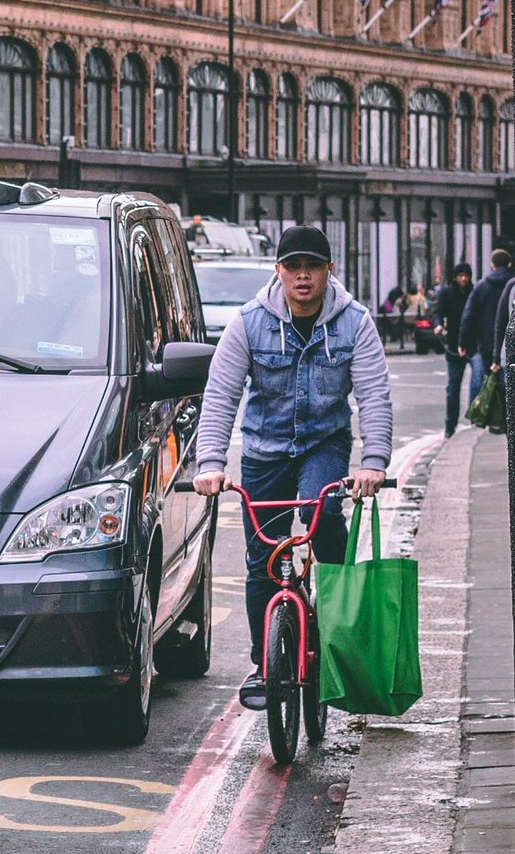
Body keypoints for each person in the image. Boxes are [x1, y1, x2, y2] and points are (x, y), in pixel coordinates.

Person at [192, 225, 393, 710]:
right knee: (263, 560)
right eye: (293, 267)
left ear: (329, 270)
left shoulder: (355, 322)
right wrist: (211, 462)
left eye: (313, 267)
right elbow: (220, 395)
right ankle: (266, 668)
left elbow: (373, 394)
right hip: (264, 450)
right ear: (278, 270)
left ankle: (336, 624)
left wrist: (374, 462)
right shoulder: (248, 322)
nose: (303, 276)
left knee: (322, 521)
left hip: (323, 445)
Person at [458, 247, 513, 404]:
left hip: (487, 343)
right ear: (509, 264)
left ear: (492, 265)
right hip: (510, 343)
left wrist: (463, 342)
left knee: (490, 382)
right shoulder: (512, 285)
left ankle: (494, 418)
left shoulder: (482, 287)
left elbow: (469, 316)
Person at [434, 263, 473, 438]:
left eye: (467, 275)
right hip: (453, 345)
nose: (464, 279)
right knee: (453, 388)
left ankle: (476, 423)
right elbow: (438, 312)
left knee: (478, 383)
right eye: (461, 275)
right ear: (456, 277)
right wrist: (438, 325)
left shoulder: (475, 292)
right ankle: (450, 426)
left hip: (473, 344)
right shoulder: (447, 293)